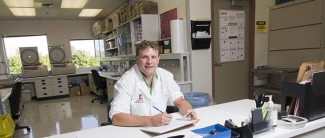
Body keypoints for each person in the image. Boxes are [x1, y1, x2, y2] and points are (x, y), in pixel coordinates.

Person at [109, 40, 197, 127]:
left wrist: (189, 110)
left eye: (153, 57)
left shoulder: (165, 76)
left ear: (158, 59)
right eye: (144, 57)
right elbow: (116, 117)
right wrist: (151, 121)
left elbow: (179, 101)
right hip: (136, 130)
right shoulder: (127, 81)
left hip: (162, 129)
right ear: (137, 59)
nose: (149, 62)